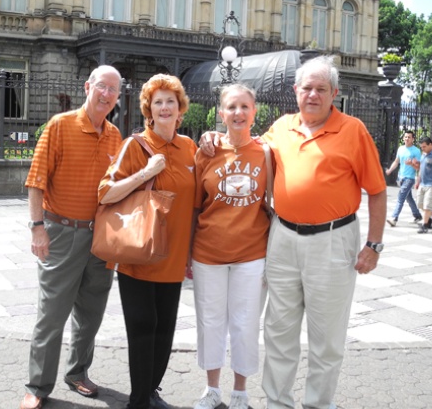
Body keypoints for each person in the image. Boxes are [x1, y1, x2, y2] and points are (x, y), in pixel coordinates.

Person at [200, 55, 386, 409]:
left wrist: (373, 245)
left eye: (321, 89)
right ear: (295, 91)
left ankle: (318, 403)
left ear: (334, 93)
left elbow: (376, 190)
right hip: (283, 238)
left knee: (326, 335)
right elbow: (247, 143)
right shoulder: (281, 127)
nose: (313, 95)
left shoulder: (353, 130)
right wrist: (214, 135)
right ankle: (277, 402)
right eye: (307, 88)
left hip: (333, 240)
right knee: (279, 329)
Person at [19, 65, 123, 409]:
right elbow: (36, 181)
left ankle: (78, 373)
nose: (106, 95)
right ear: (87, 87)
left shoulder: (114, 136)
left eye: (113, 90)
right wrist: (37, 228)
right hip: (61, 233)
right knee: (52, 314)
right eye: (102, 87)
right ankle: (37, 385)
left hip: (99, 237)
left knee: (91, 313)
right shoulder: (60, 125)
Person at [98, 74, 197, 409]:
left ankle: (151, 392)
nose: (165, 107)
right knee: (143, 328)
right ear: (149, 110)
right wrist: (145, 173)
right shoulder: (137, 145)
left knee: (165, 331)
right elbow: (105, 193)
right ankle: (138, 401)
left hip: (173, 256)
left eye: (171, 101)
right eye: (158, 102)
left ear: (180, 108)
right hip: (139, 255)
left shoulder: (189, 148)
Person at [191, 84, 270, 409]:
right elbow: (195, 207)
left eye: (244, 107)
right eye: (231, 107)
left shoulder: (267, 153)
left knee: (245, 322)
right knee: (210, 321)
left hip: (251, 254)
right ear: (220, 113)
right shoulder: (206, 152)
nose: (238, 113)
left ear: (254, 111)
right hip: (208, 253)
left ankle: (240, 391)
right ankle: (212, 390)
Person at [385, 130, 422, 227]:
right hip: (400, 178)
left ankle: (394, 218)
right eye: (405, 137)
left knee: (400, 197)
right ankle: (417, 215)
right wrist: (390, 170)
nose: (407, 139)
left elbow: (418, 167)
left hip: (409, 178)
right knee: (409, 198)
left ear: (413, 139)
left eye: (409, 137)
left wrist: (412, 164)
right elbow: (396, 161)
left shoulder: (416, 151)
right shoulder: (400, 149)